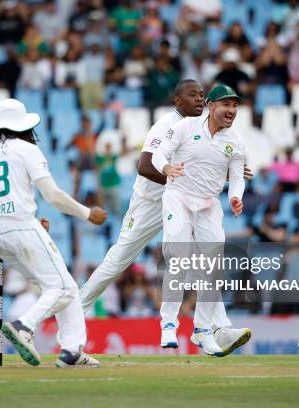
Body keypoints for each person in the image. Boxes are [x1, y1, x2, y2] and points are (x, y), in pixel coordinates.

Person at [78, 80, 252, 353]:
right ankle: (78, 308)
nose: (198, 99)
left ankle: (217, 328)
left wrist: (226, 172)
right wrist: (181, 179)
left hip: (183, 201)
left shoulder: (209, 130)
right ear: (177, 101)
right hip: (149, 202)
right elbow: (145, 166)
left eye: (201, 95)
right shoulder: (166, 126)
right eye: (192, 95)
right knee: (119, 258)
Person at [0, 99, 107, 367]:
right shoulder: (26, 149)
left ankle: (72, 351)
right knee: (62, 287)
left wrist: (29, 223)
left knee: (61, 285)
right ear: (22, 126)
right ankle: (24, 325)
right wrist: (87, 213)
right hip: (20, 225)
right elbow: (53, 196)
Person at [151, 84, 251, 356]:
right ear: (210, 105)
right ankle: (169, 324)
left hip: (209, 204)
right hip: (178, 196)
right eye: (225, 105)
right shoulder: (186, 127)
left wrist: (235, 197)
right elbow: (158, 153)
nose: (231, 110)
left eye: (234, 106)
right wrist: (167, 167)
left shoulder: (236, 141)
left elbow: (238, 176)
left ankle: (203, 330)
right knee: (179, 257)